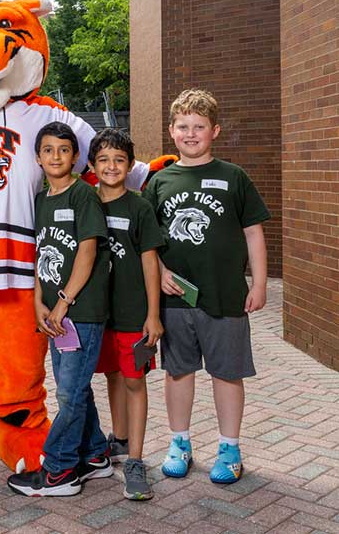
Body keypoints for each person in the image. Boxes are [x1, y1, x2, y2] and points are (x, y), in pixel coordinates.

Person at [142, 89, 270, 485]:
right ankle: (179, 443)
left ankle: (230, 448)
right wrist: (160, 273)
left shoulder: (234, 177)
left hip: (226, 295)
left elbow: (253, 232)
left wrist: (260, 282)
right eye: (184, 126)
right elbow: (147, 240)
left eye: (199, 126)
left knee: (226, 373)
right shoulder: (160, 181)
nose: (191, 133)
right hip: (176, 299)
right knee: (178, 372)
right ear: (172, 131)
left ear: (214, 130)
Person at [7, 122, 113, 497]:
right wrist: (40, 301)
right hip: (54, 313)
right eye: (48, 150)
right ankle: (96, 453)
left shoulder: (82, 196)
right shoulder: (39, 201)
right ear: (38, 158)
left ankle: (59, 469)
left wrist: (64, 302)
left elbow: (87, 251)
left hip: (80, 311)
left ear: (75, 156)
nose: (56, 156)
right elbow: (39, 257)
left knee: (68, 392)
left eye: (64, 150)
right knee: (74, 387)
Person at [88, 128, 165, 501]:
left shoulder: (140, 207)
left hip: (134, 314)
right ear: (91, 165)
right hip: (98, 313)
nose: (111, 166)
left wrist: (153, 314)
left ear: (130, 165)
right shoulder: (87, 203)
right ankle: (118, 440)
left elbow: (151, 264)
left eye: (119, 159)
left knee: (135, 381)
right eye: (103, 159)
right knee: (113, 376)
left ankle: (135, 459)